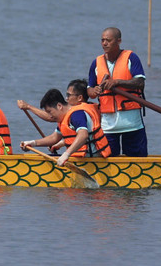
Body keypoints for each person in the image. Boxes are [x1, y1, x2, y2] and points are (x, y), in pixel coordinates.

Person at [87, 27, 147, 157]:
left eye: (108, 40)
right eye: (102, 40)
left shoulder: (131, 57)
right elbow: (89, 90)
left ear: (118, 41)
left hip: (132, 124)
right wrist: (94, 90)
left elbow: (140, 83)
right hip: (108, 125)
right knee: (107, 160)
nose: (104, 43)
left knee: (137, 160)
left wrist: (117, 82)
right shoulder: (96, 63)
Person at [19, 88, 111, 165]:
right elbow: (54, 137)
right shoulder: (64, 118)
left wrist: (66, 154)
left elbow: (83, 135)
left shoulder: (76, 115)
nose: (50, 116)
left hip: (91, 159)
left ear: (59, 106)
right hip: (79, 158)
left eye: (50, 111)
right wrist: (33, 143)